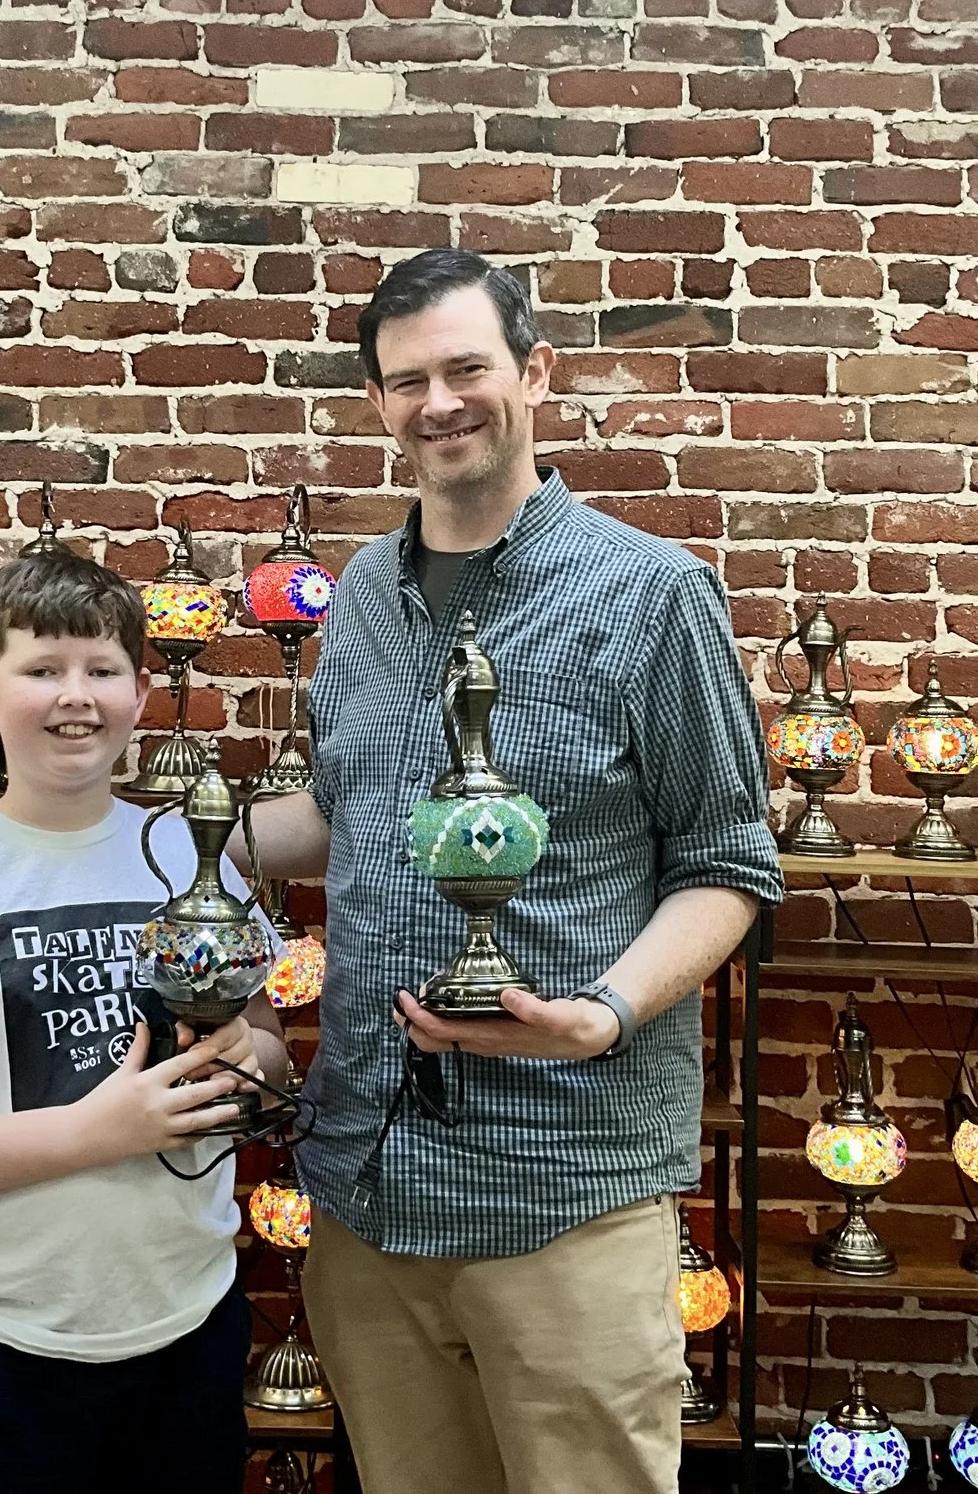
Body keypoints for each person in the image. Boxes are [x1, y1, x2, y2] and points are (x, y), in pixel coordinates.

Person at [239, 247, 780, 1494]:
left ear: (535, 374)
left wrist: (603, 1014)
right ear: (377, 405)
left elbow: (726, 861)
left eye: (466, 367)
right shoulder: (364, 594)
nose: (439, 403)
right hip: (367, 1178)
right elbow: (347, 810)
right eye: (406, 381)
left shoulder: (653, 593)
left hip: (564, 1182)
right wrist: (152, 830)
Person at [0, 545, 290, 1494]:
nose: (76, 696)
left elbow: (270, 1049)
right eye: (43, 669)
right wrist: (95, 1130)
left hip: (186, 1332)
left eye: (102, 669)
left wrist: (250, 1058)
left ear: (142, 692)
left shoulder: (200, 862)